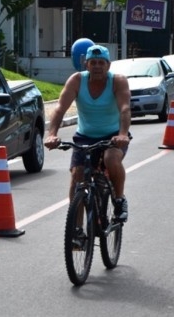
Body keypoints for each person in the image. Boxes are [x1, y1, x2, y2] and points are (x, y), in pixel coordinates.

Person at [44, 45, 132, 222]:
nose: (97, 66)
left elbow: (125, 108)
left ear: (108, 65)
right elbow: (60, 109)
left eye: (101, 63)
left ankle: (119, 200)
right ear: (86, 64)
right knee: (77, 176)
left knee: (111, 159)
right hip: (84, 136)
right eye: (93, 62)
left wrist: (123, 133)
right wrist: (52, 134)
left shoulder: (118, 81)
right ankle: (76, 230)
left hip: (113, 135)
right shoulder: (77, 80)